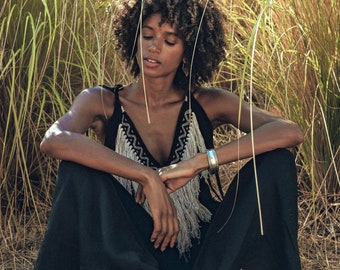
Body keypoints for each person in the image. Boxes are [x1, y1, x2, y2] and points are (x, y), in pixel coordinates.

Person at [34, 0, 303, 269]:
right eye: (148, 35)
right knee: (76, 169)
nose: (154, 47)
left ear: (187, 52)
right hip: (128, 249)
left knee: (277, 162)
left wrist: (199, 162)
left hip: (205, 252)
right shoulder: (101, 101)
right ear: (133, 37)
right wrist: (146, 176)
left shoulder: (206, 102)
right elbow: (55, 139)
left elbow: (289, 131)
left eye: (170, 41)